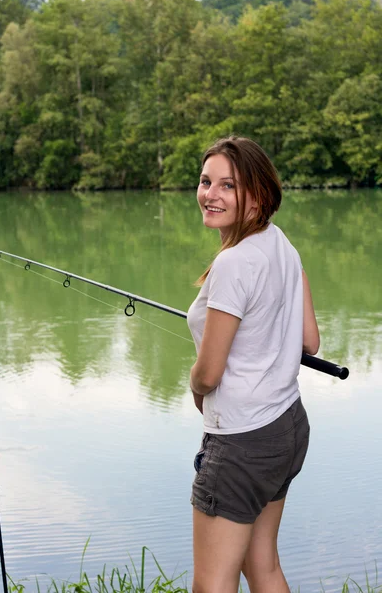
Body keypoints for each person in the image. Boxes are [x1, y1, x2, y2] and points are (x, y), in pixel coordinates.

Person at [186, 136, 320, 593]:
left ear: (258, 196)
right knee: (262, 566)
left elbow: (208, 373)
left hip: (242, 443)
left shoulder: (234, 263)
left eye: (228, 185)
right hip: (286, 427)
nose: (211, 194)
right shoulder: (280, 244)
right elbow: (310, 341)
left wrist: (195, 388)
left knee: (211, 586)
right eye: (206, 182)